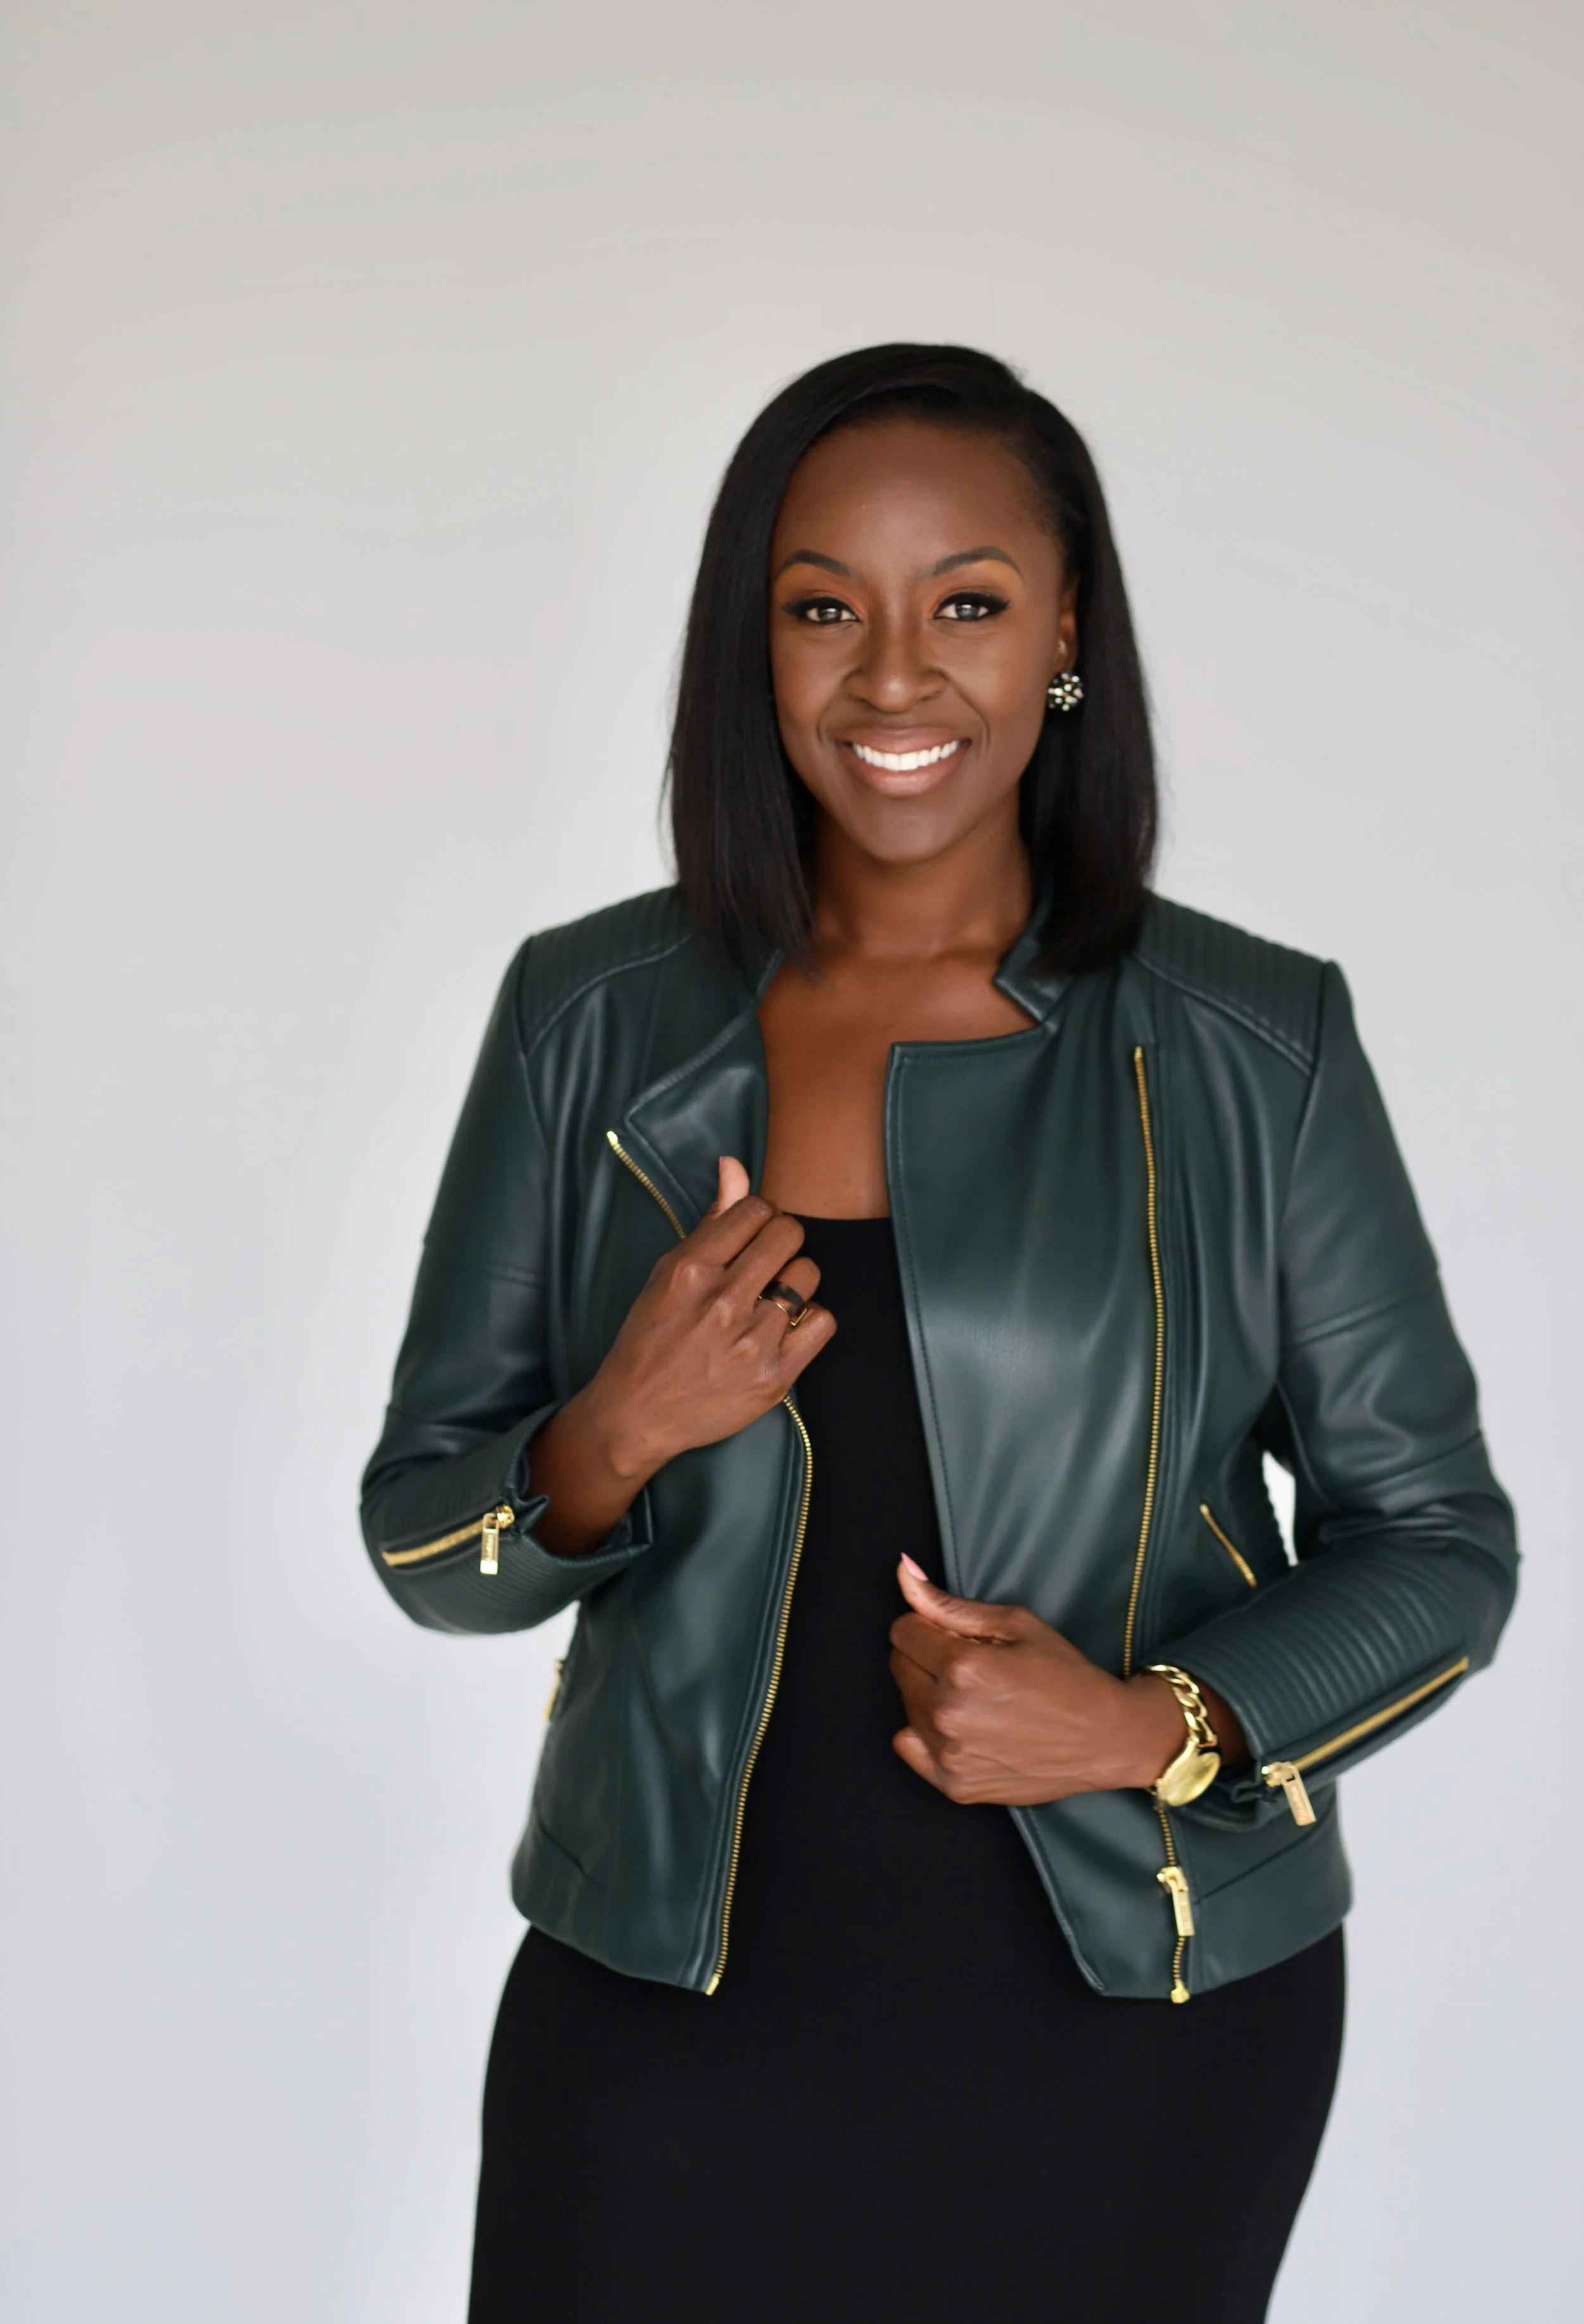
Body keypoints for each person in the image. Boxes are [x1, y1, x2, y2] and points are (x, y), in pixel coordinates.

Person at [361, 345, 1517, 2324]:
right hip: (662, 2002)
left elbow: (1434, 1541)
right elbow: (425, 1541)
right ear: (754, 642)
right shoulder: (586, 1016)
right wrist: (611, 1434)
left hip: (1130, 2021)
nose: (892, 678)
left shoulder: (1250, 1047)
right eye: (824, 609)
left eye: (965, 603)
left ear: (1065, 631)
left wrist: (1153, 1725)